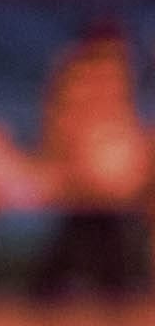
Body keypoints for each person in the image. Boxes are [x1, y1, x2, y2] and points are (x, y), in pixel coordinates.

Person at [28, 25, 152, 307]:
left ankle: (73, 287)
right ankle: (104, 289)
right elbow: (60, 139)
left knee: (94, 225)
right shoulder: (78, 83)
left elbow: (128, 139)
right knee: (93, 221)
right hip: (79, 175)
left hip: (111, 180)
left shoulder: (118, 88)